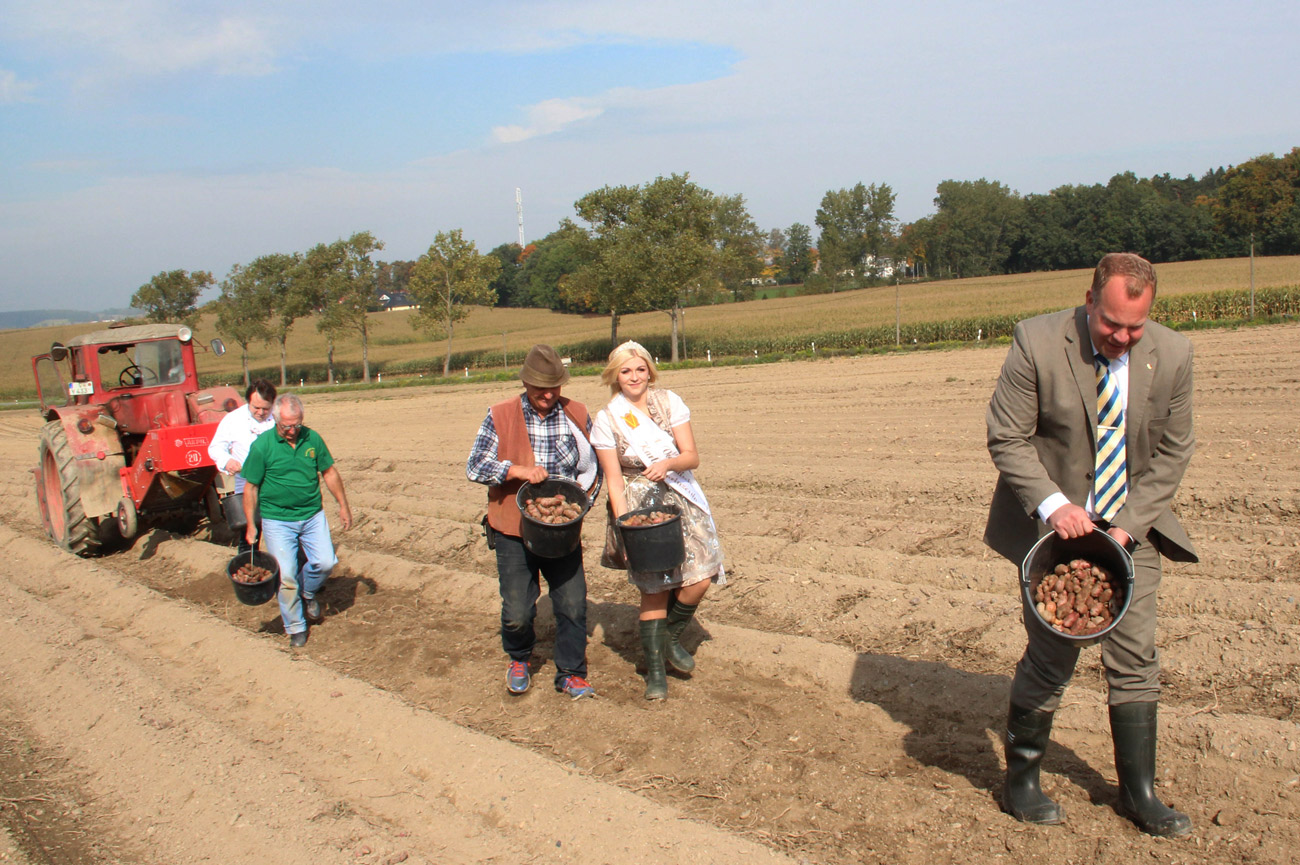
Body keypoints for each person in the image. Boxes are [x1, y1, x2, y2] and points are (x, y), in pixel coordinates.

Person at [984, 253, 1196, 837]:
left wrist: (1126, 528)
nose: (1124, 337)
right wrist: (1055, 507)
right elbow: (1007, 434)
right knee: (1052, 657)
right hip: (1053, 528)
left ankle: (1139, 793)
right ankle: (1021, 781)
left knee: (1135, 658)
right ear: (1089, 300)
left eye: (1136, 327)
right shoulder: (1037, 341)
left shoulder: (1173, 354)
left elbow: (1173, 453)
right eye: (1112, 324)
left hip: (1133, 527)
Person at [591, 341, 725, 700]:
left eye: (640, 369)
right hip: (638, 506)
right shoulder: (607, 420)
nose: (634, 377)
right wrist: (626, 526)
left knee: (701, 576)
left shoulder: (670, 403)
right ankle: (654, 673)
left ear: (649, 370)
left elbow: (691, 457)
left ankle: (668, 639)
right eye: (625, 371)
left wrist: (667, 464)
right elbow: (614, 481)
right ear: (615, 376)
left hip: (680, 495)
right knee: (654, 588)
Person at [466, 344, 601, 700]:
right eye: (540, 386)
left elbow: (597, 467)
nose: (548, 394)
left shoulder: (577, 413)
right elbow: (475, 465)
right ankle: (519, 658)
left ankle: (571, 672)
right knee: (517, 611)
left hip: (562, 531)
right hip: (513, 528)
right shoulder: (500, 414)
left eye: (554, 386)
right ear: (525, 382)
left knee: (573, 604)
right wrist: (515, 470)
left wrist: (582, 503)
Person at [241, 394, 353, 648]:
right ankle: (296, 627)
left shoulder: (312, 438)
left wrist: (343, 506)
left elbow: (329, 472)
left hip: (312, 514)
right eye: (286, 426)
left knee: (325, 562)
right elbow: (250, 488)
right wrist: (251, 524)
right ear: (276, 421)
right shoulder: (263, 446)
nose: (292, 431)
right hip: (277, 519)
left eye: (297, 425)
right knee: (286, 576)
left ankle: (308, 592)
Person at [207, 379, 276, 551]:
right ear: (248, 402)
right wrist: (227, 461)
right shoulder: (233, 420)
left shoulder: (279, 419)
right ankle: (250, 566)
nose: (261, 412)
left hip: (276, 481)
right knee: (250, 531)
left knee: (280, 529)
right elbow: (215, 447)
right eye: (256, 408)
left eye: (265, 408)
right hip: (246, 482)